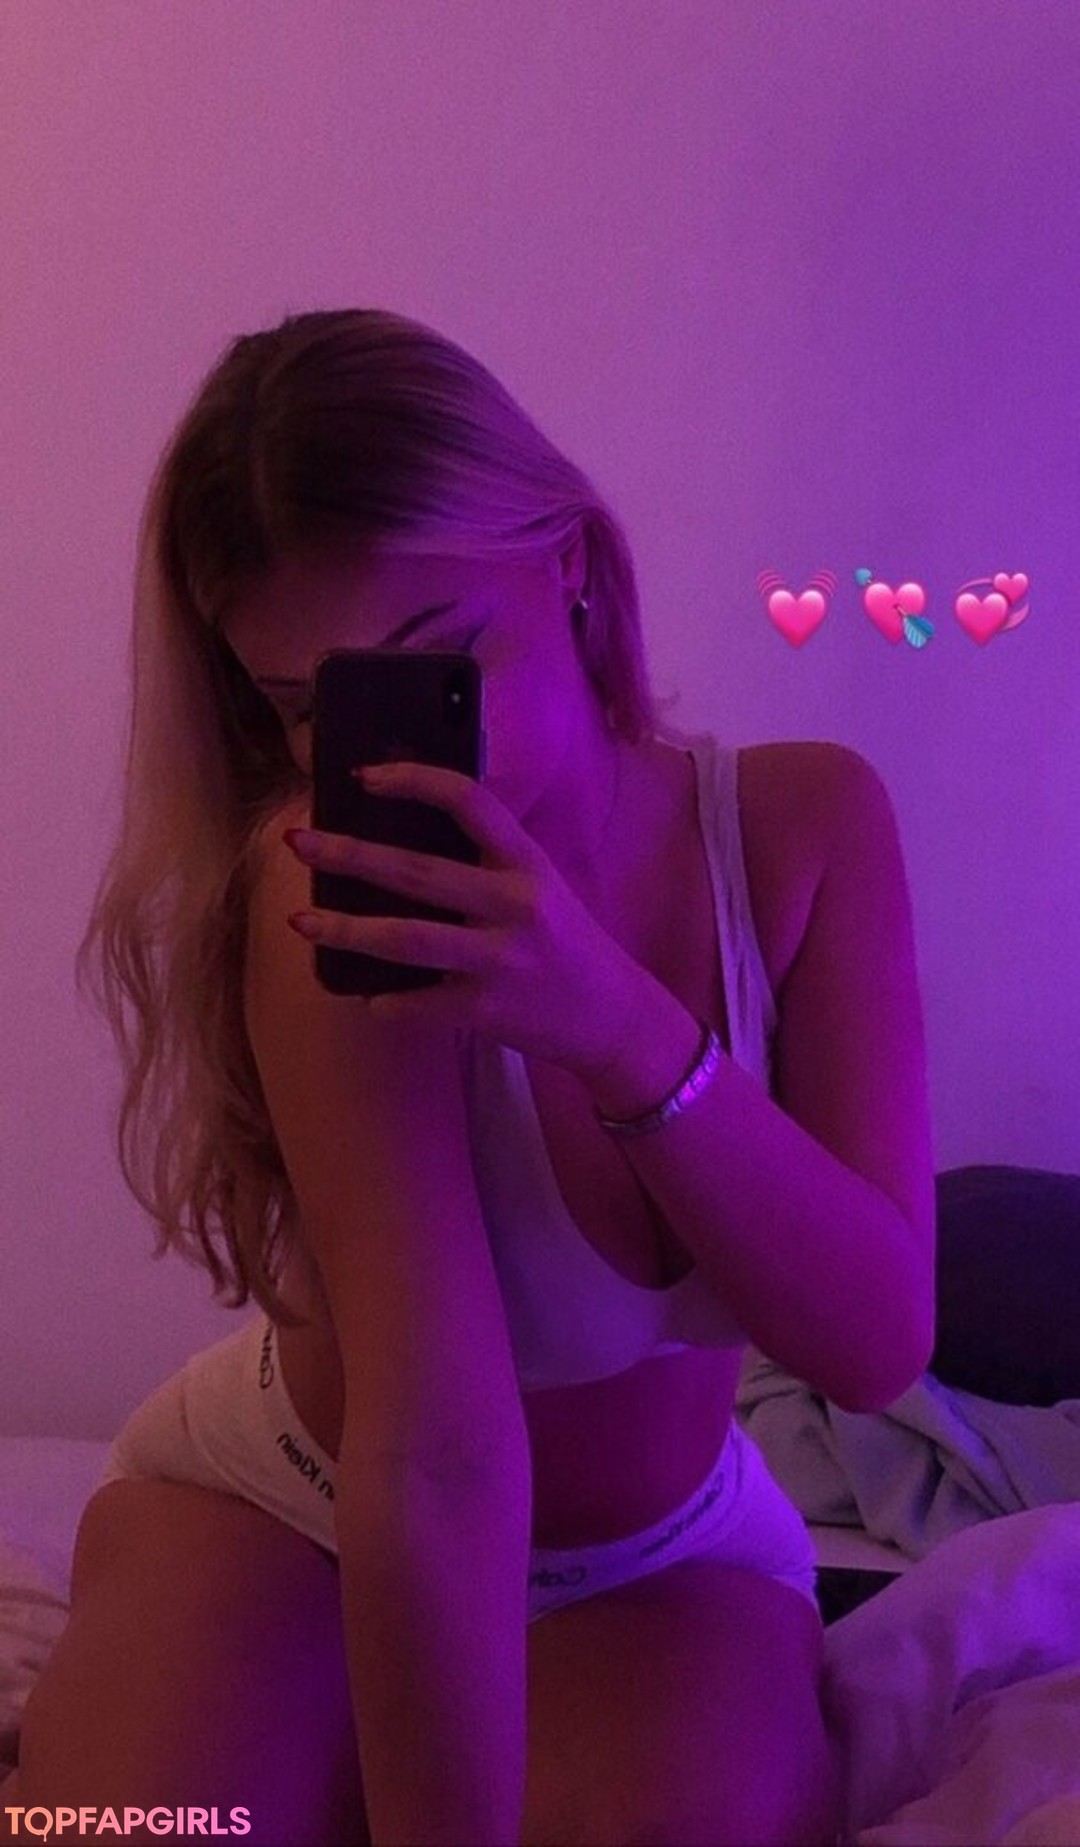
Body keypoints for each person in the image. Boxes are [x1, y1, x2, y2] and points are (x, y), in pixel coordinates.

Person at [2, 308, 935, 1847]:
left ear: (565, 560)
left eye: (437, 665)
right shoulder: (331, 897)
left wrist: (612, 1024)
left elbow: (875, 1343)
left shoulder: (802, 830)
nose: (392, 762)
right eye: (312, 708)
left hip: (660, 1556)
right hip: (302, 1495)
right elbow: (435, 1446)